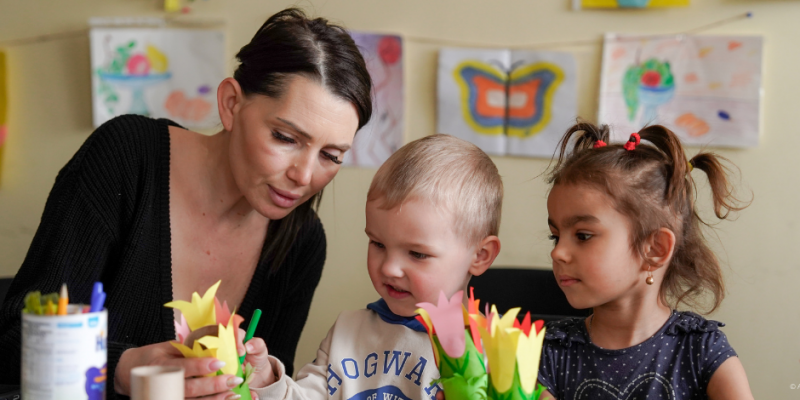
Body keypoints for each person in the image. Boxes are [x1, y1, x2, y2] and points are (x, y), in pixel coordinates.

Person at [0, 8, 372, 400]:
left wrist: (265, 382)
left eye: (331, 156)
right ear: (231, 104)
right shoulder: (126, 158)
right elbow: (10, 341)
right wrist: (123, 369)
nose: (304, 175)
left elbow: (268, 388)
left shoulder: (302, 243)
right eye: (285, 137)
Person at [238, 134, 503, 399]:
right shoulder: (347, 331)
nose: (389, 268)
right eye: (377, 244)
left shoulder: (493, 348)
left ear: (480, 256)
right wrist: (265, 379)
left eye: (417, 254)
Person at [537, 122, 754, 399]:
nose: (558, 253)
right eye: (555, 236)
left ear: (655, 249)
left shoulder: (703, 351)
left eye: (583, 235)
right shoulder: (548, 352)